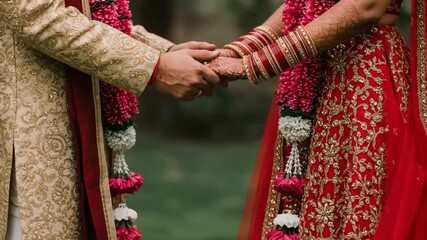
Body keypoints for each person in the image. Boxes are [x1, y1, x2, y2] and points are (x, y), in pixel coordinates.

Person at [0, 0, 222, 238]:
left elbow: (94, 15)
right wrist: (155, 66)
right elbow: (38, 15)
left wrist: (164, 53)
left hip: (78, 132)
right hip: (29, 144)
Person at [209, 0, 426, 239]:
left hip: (362, 85)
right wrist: (236, 51)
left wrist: (253, 64)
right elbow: (303, 4)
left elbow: (368, 5)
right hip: (313, 75)